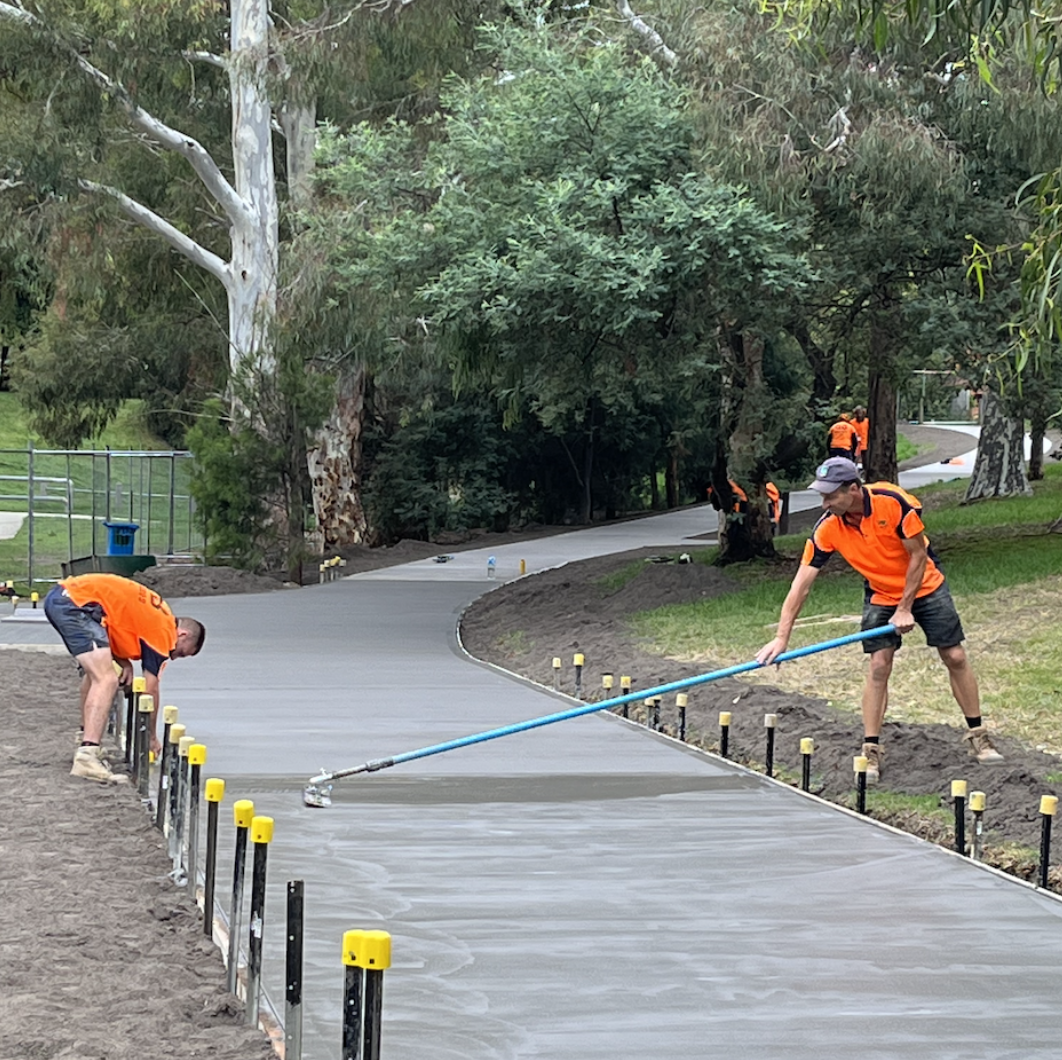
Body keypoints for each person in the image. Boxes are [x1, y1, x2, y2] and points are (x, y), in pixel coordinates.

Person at [755, 457, 1002, 783]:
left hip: (926, 584)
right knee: (879, 665)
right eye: (822, 496)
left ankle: (978, 735)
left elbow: (917, 555)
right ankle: (871, 749)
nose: (825, 503)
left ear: (854, 489)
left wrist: (906, 608)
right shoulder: (828, 527)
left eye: (831, 496)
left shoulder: (894, 503)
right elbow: (801, 585)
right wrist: (782, 637)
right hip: (880, 593)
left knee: (954, 655)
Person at [43, 573, 206, 783]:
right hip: (75, 604)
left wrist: (122, 660)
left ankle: (85, 740)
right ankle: (87, 755)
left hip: (66, 597)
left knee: (96, 676)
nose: (174, 657)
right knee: (106, 679)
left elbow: (116, 618)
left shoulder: (158, 615)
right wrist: (151, 737)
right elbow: (151, 688)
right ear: (182, 634)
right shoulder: (163, 632)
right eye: (182, 652)